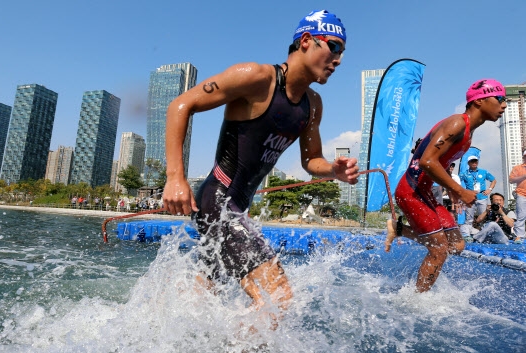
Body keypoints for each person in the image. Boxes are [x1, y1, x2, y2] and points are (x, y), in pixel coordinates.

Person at [163, 10, 359, 323]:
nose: (338, 60)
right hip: (218, 201)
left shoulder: (313, 105)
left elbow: (311, 160)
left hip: (239, 208)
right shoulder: (255, 77)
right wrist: (175, 177)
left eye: (343, 53)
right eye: (334, 47)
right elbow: (180, 105)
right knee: (277, 298)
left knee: (200, 303)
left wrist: (333, 171)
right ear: (306, 41)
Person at [386, 79, 507, 292]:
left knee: (457, 246)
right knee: (439, 249)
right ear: (479, 102)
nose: (504, 105)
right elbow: (427, 161)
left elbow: (440, 162)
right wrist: (460, 189)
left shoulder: (468, 133)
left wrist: (451, 188)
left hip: (424, 192)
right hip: (411, 191)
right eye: (499, 99)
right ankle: (416, 301)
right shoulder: (457, 123)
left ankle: (399, 229)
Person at [459, 155, 496, 240]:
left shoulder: (483, 172)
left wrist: (489, 189)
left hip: (482, 197)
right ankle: (467, 236)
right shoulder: (464, 173)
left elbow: (493, 180)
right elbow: (456, 181)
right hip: (470, 199)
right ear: (468, 163)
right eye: (472, 161)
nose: (474, 163)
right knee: (469, 219)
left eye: (476, 161)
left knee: (483, 217)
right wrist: (464, 193)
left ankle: (484, 236)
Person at [509, 150, 526, 244]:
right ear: (523, 157)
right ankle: (519, 236)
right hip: (521, 194)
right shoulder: (518, 168)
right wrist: (524, 176)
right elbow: (511, 180)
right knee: (521, 216)